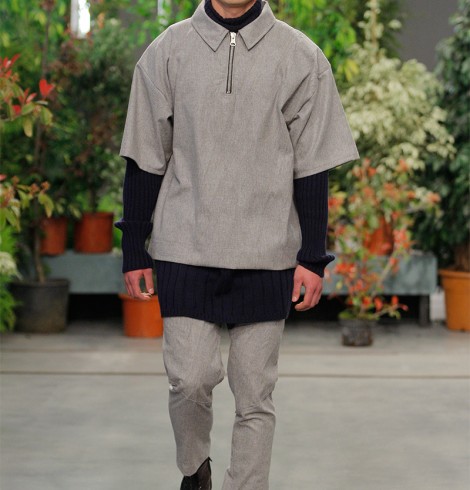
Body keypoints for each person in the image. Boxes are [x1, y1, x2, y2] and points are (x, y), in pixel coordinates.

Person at [115, 0, 360, 488]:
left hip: (268, 250)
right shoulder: (167, 51)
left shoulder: (301, 57)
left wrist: (313, 257)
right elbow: (145, 155)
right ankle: (195, 469)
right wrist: (135, 247)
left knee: (254, 396)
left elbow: (313, 165)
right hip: (185, 244)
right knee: (188, 380)